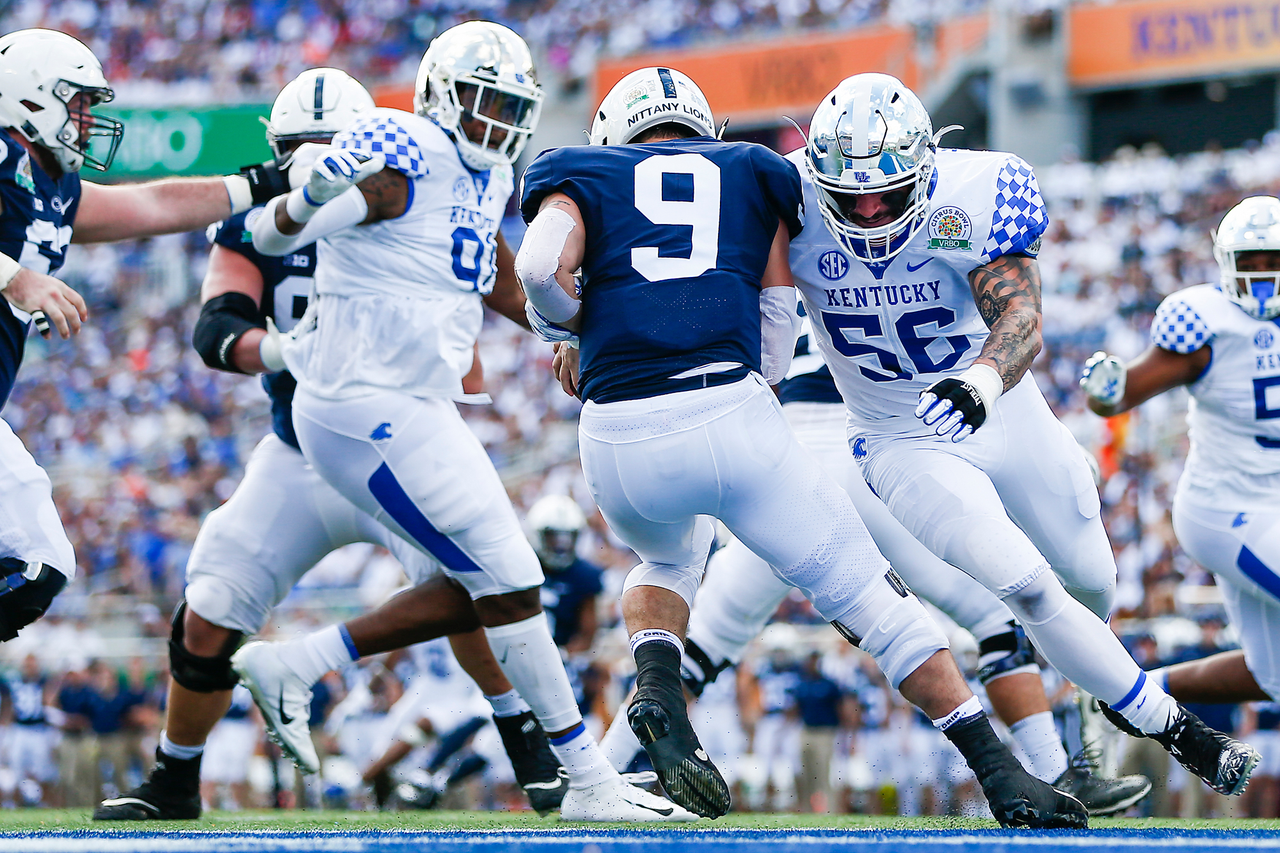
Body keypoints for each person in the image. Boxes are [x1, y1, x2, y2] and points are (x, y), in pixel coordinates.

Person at [519, 65, 1085, 828]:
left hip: (614, 434)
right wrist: (756, 387)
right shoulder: (750, 171)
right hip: (733, 409)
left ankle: (657, 682)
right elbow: (779, 313)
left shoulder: (578, 173)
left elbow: (535, 269)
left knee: (665, 561)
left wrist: (567, 329)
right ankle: (1003, 772)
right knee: (873, 600)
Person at [235, 22, 691, 822]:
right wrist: (304, 196)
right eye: (482, 103)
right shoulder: (404, 160)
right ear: (441, 95)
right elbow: (281, 230)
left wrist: (581, 331)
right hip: (356, 406)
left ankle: (299, 663)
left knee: (494, 583)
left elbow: (499, 279)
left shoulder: (483, 178)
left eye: (509, 107)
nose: (495, 122)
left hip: (416, 406)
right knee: (509, 579)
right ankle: (583, 781)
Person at [94, 66, 562, 822]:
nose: (313, 159)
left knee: (479, 571)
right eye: (298, 149)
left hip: (399, 433)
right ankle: (175, 777)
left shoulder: (414, 190)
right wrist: (277, 352)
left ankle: (527, 740)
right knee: (211, 604)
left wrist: (566, 331)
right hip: (298, 446)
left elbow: (497, 279)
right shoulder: (267, 222)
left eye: (330, 146)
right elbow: (217, 328)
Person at [786, 72, 1257, 798]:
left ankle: (1098, 697)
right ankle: (1177, 728)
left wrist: (979, 379)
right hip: (898, 437)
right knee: (1027, 585)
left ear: (927, 167)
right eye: (851, 196)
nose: (871, 211)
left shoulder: (975, 192)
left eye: (888, 192)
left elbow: (1020, 318)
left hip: (1001, 406)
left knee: (1091, 579)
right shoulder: (781, 199)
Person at [594, 316, 1151, 815]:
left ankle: (603, 770)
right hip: (857, 450)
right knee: (992, 622)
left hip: (775, 464)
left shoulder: (793, 270)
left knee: (702, 647)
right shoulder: (869, 275)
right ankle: (1054, 770)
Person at [0, 28, 292, 645]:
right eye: (77, 105)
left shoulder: (52, 188)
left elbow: (153, 207)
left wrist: (261, 185)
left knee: (40, 566)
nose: (86, 122)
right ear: (31, 99)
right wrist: (15, 276)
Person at [1080, 195, 1280, 712]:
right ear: (1225, 265)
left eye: (1272, 261)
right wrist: (1108, 390)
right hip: (1227, 509)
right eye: (1250, 263)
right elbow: (1123, 394)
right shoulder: (1206, 322)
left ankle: (1135, 696)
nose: (1262, 275)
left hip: (1270, 509)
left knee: (1273, 676)